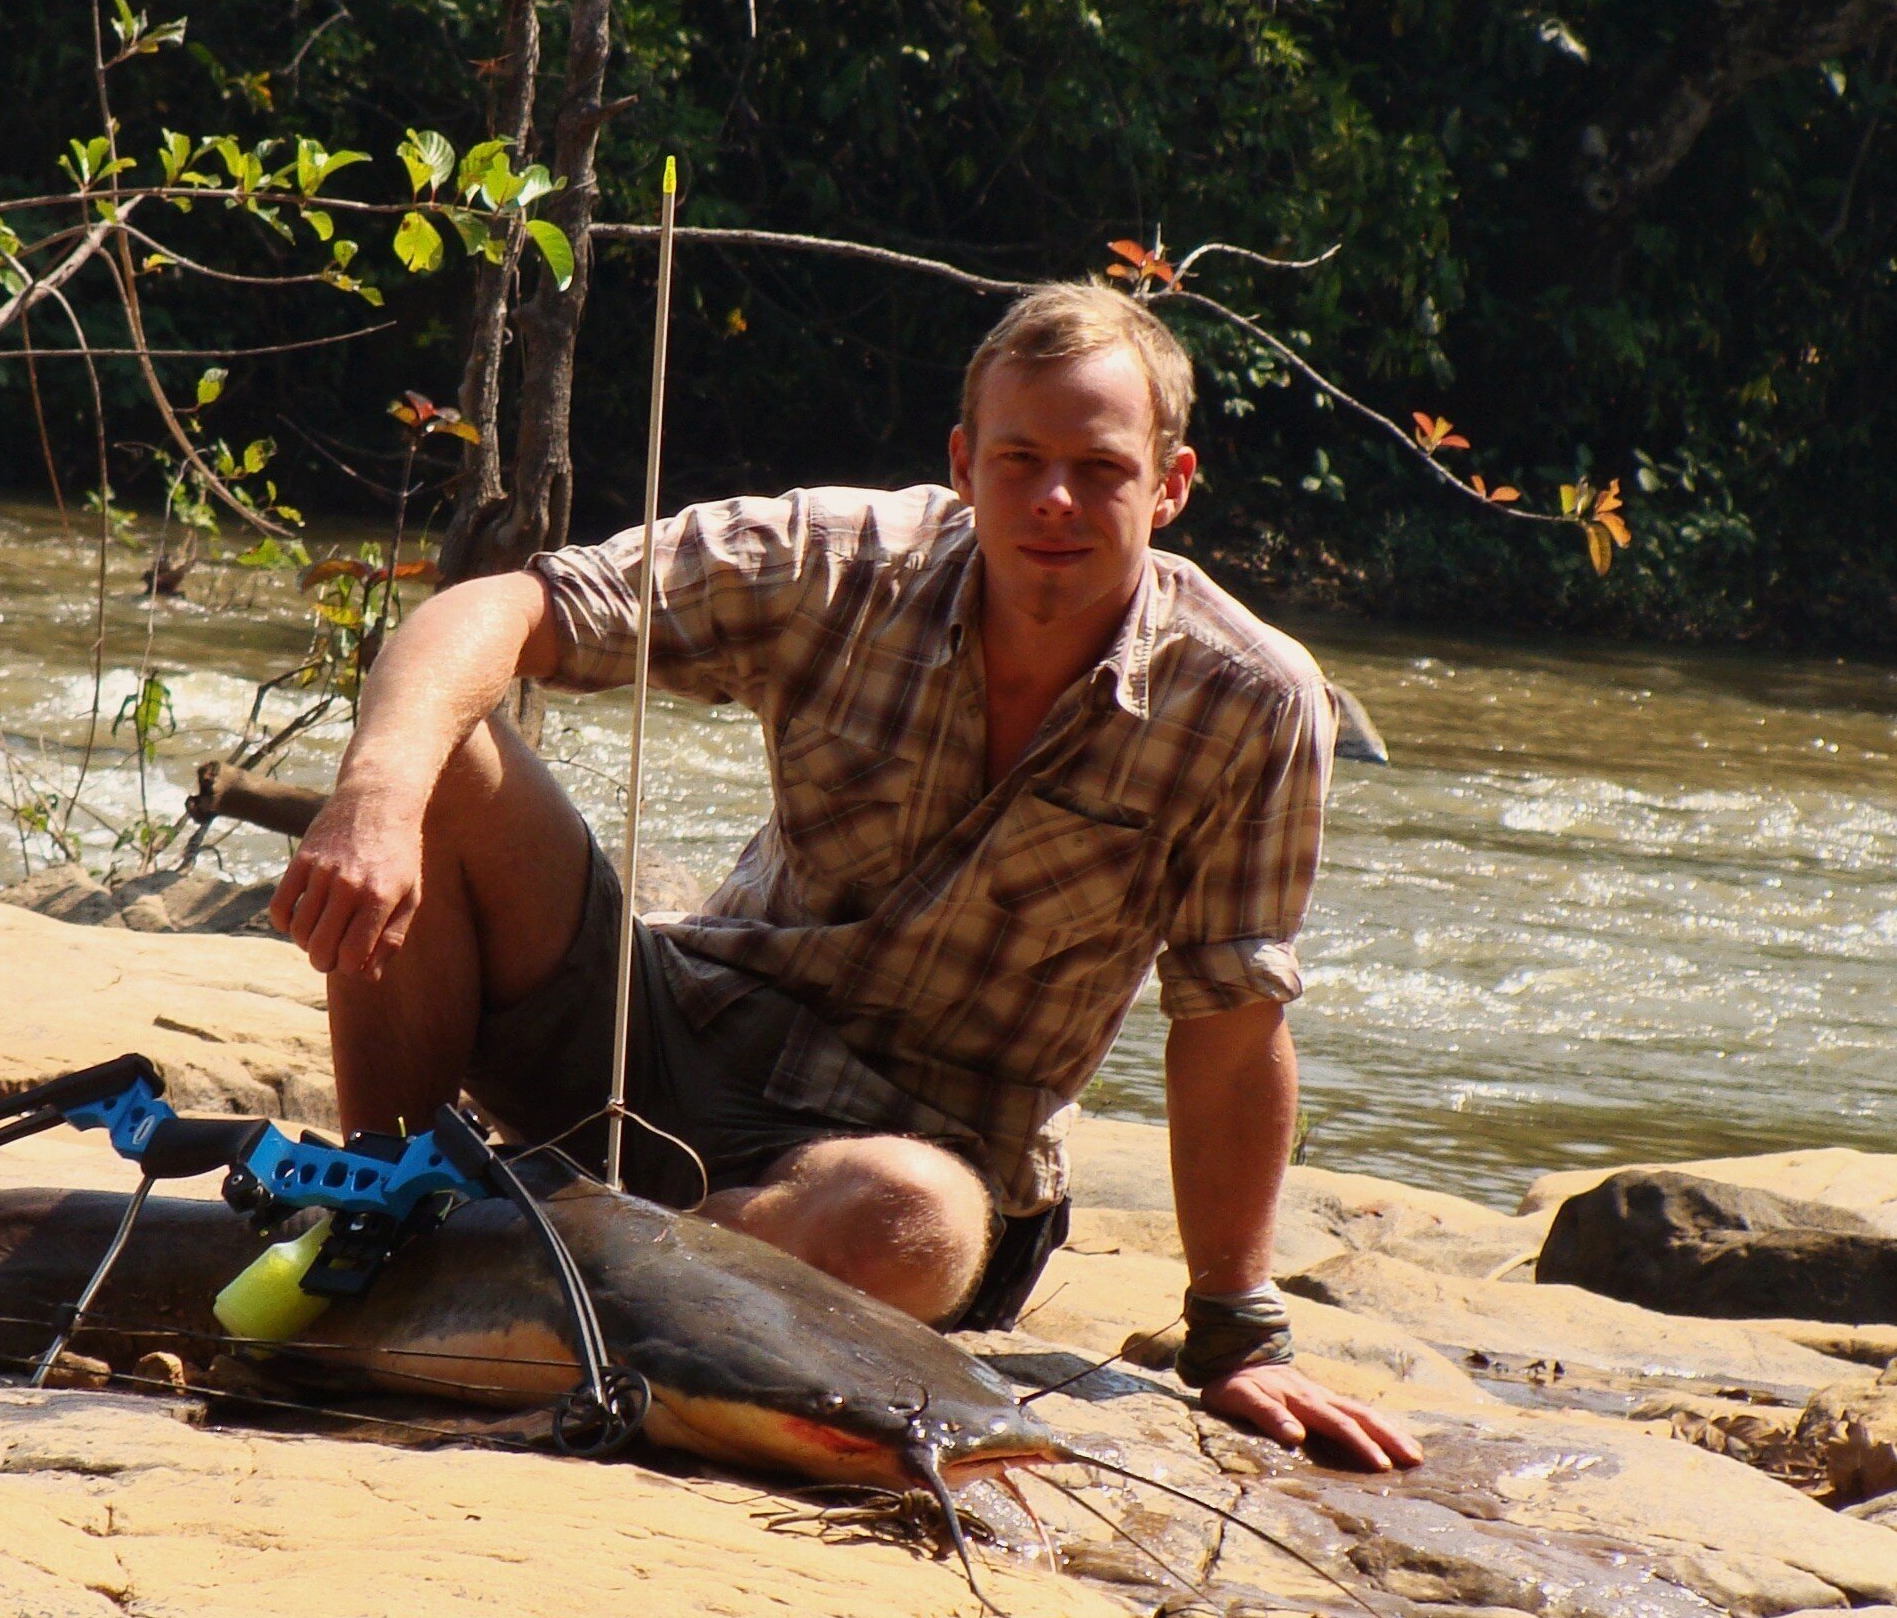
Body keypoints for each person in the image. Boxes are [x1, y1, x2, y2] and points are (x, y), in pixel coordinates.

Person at [270, 280, 1420, 1471]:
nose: (1056, 501)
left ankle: (556, 1246)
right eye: (1021, 459)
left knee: (904, 1222)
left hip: (925, 1162)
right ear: (964, 463)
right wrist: (377, 799)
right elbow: (507, 608)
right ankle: (381, 1209)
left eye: (1103, 468)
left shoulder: (1254, 700)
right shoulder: (844, 559)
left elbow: (1231, 1019)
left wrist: (1239, 1332)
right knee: (436, 748)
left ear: (1171, 486)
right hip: (664, 1037)